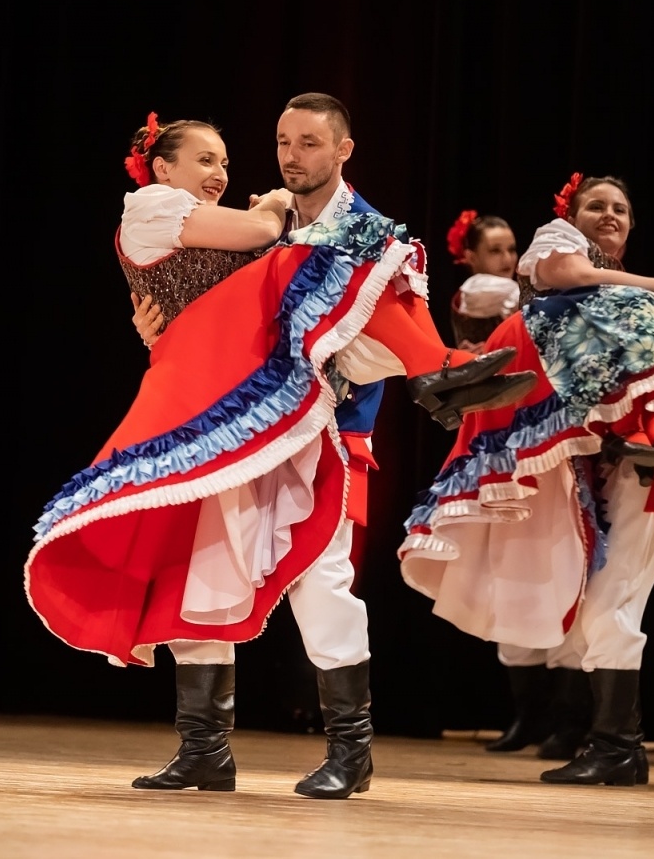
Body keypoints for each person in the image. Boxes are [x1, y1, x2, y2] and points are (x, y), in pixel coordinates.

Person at [27, 100, 533, 800]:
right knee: (203, 569)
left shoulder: (274, 230)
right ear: (162, 166)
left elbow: (298, 315)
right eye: (206, 160)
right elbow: (261, 249)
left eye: (226, 163)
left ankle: (349, 750)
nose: (220, 173)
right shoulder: (159, 207)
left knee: (317, 570)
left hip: (278, 412)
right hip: (215, 410)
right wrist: (265, 224)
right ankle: (205, 748)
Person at [402, 179, 654, 785]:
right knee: (598, 602)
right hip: (625, 463)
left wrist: (644, 449)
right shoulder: (650, 296)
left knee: (611, 603)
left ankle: (617, 745)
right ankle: (616, 745)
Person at [445, 210, 521, 352]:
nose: (507, 259)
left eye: (511, 250)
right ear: (472, 257)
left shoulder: (511, 291)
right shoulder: (475, 289)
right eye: (495, 251)